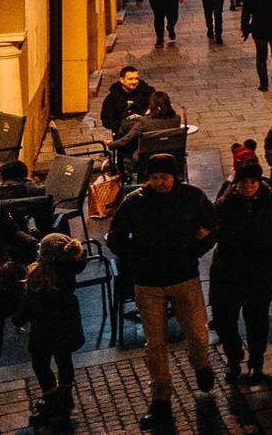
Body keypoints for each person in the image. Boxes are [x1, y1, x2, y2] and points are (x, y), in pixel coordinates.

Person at [106, 152, 216, 427]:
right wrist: (136, 259)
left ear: (174, 176)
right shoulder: (135, 203)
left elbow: (213, 227)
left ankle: (201, 363)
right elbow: (115, 236)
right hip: (148, 283)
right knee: (155, 345)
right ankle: (161, 401)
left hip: (184, 277)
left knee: (198, 333)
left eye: (163, 177)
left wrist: (196, 250)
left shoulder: (192, 197)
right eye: (154, 178)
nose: (159, 183)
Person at [209, 156, 272, 382]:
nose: (248, 186)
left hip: (260, 272)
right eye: (243, 182)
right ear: (235, 183)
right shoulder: (224, 204)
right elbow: (212, 230)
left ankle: (257, 360)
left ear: (259, 182)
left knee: (257, 321)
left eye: (252, 182)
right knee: (224, 320)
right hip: (228, 272)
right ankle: (234, 357)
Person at [16, 234, 85, 427]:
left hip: (43, 332)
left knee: (40, 363)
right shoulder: (69, 270)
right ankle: (65, 396)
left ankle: (52, 398)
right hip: (66, 327)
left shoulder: (38, 275)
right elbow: (80, 259)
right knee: (64, 361)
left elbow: (28, 304)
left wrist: (18, 320)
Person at [98, 64, 155, 134]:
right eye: (130, 79)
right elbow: (106, 121)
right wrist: (125, 124)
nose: (134, 82)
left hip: (146, 131)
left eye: (136, 78)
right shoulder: (112, 98)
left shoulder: (147, 92)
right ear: (122, 80)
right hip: (123, 133)